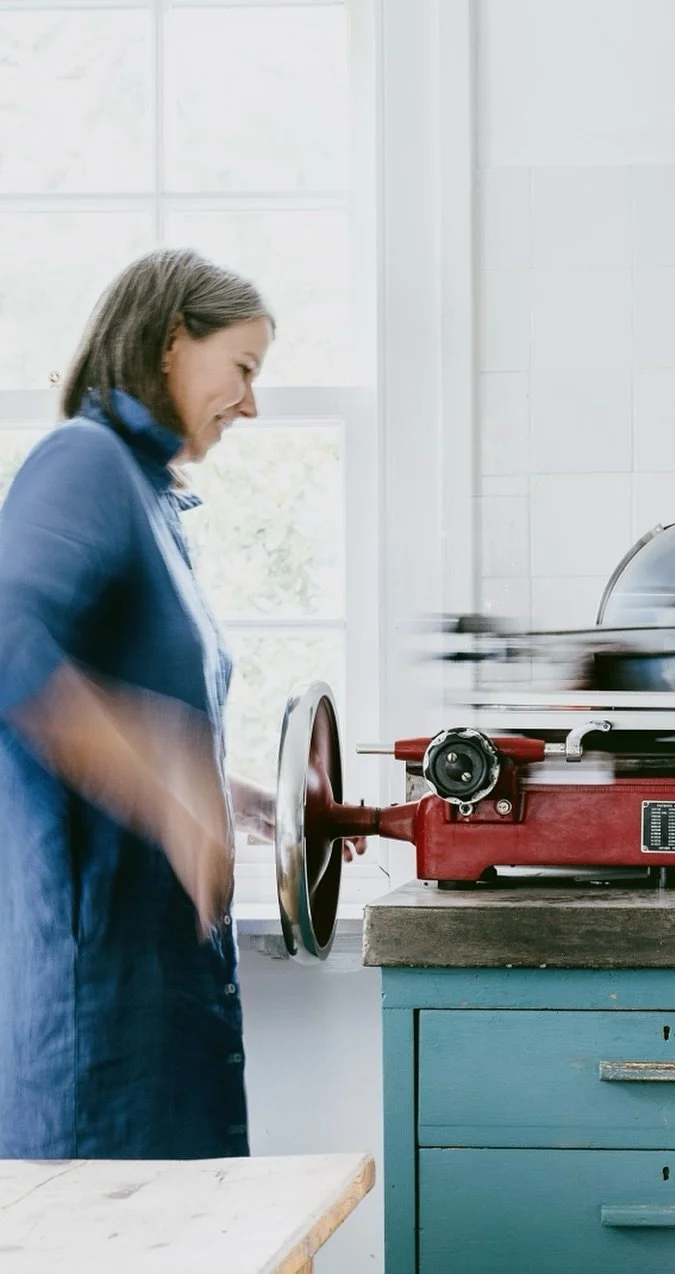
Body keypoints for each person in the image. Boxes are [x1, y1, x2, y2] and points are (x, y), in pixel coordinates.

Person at [0, 247, 281, 1160]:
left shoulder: (151, 495)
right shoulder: (84, 461)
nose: (250, 403)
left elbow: (123, 692)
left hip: (158, 978)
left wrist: (224, 792)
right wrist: (167, 796)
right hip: (99, 991)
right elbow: (8, 643)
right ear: (169, 343)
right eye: (241, 368)